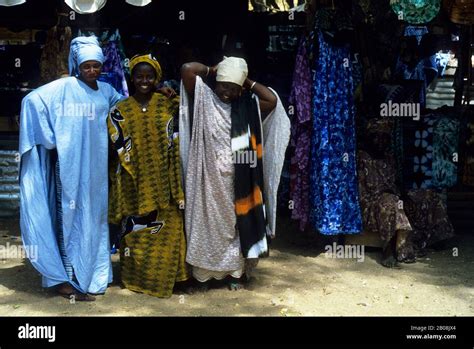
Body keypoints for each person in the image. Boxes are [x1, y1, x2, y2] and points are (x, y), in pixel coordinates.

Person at [19, 36, 123, 301]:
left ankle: (94, 273)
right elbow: (33, 101)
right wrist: (51, 138)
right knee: (69, 219)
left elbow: (126, 110)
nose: (92, 71)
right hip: (69, 168)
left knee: (94, 221)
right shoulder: (64, 87)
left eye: (96, 66)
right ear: (78, 65)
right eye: (87, 66)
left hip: (96, 172)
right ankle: (67, 279)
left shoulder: (106, 91)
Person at [180, 57, 291, 289]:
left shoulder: (247, 106)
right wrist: (214, 69)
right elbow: (188, 70)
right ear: (216, 83)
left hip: (238, 181)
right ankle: (203, 275)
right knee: (206, 225)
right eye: (224, 86)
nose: (227, 93)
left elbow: (271, 100)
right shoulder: (205, 100)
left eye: (233, 88)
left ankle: (234, 274)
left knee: (237, 226)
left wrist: (245, 80)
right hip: (207, 180)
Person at [107, 54, 189, 298]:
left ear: (157, 78)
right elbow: (114, 141)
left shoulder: (168, 104)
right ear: (132, 79)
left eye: (149, 76)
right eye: (139, 76)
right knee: (136, 235)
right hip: (133, 182)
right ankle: (136, 279)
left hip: (166, 181)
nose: (144, 80)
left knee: (168, 228)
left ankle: (169, 279)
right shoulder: (120, 110)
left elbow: (186, 118)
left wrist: (172, 93)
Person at [357, 118, 454, 267]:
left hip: (393, 196)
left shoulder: (389, 156)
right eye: (376, 137)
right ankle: (391, 248)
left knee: (427, 194)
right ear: (370, 137)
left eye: (384, 137)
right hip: (372, 202)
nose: (381, 141)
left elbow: (395, 183)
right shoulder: (361, 158)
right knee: (391, 202)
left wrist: (404, 195)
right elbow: (363, 193)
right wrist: (390, 196)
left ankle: (435, 237)